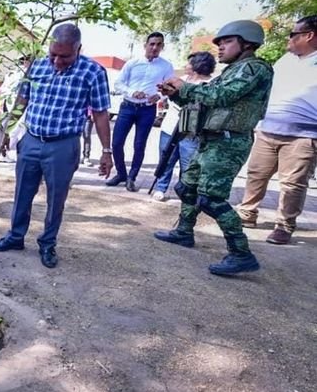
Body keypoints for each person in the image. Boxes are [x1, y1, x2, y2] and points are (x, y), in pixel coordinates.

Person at [0, 24, 113, 269]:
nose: (56, 61)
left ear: (79, 49)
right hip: (31, 140)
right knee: (22, 192)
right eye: (52, 54)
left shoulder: (93, 72)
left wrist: (106, 152)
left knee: (56, 199)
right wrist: (7, 132)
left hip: (63, 146)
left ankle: (47, 243)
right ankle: (15, 236)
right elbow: (22, 100)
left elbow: (100, 114)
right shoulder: (37, 65)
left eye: (64, 56)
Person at [155, 20, 273, 276]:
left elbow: (221, 96)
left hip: (229, 141)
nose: (219, 47)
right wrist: (176, 94)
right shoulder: (235, 69)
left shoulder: (254, 69)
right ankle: (184, 231)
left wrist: (183, 87)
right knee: (186, 187)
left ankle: (241, 253)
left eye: (227, 42)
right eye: (218, 43)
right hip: (213, 139)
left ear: (247, 43)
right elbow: (209, 91)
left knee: (211, 199)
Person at [236, 15, 317, 245]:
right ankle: (247, 213)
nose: (288, 39)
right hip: (269, 129)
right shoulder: (286, 60)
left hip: (303, 135)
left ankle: (284, 225)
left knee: (293, 184)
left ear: (309, 35)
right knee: (256, 174)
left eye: (293, 34)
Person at [107, 32, 175, 191]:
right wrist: (132, 92)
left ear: (162, 47)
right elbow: (118, 84)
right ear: (145, 45)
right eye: (152, 44)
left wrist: (158, 96)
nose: (155, 47)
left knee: (139, 145)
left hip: (147, 110)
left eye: (159, 44)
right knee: (116, 143)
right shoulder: (132, 63)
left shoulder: (166, 66)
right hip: (128, 107)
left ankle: (132, 177)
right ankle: (121, 173)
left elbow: (169, 87)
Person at [152, 51, 216, 201]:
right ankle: (161, 188)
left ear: (197, 65)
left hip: (191, 133)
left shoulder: (210, 85)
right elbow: (164, 95)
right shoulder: (179, 80)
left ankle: (185, 191)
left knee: (188, 164)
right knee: (166, 159)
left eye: (189, 63)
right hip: (170, 128)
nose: (185, 65)